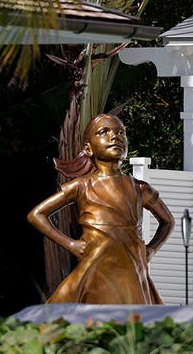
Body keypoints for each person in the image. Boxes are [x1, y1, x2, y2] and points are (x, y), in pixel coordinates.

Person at [27, 114, 175, 304]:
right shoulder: (82, 186)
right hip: (95, 266)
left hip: (131, 268)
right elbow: (36, 215)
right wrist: (70, 244)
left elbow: (168, 221)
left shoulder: (139, 189)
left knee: (136, 321)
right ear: (88, 148)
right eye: (104, 132)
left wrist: (152, 249)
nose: (115, 137)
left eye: (120, 132)